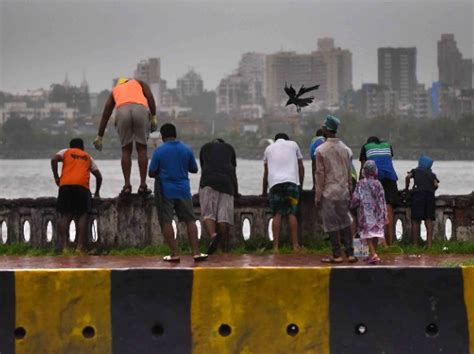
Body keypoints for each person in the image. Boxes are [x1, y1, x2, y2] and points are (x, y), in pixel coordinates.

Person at [148, 123, 207, 262]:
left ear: (162, 136)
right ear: (175, 134)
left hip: (165, 190)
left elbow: (151, 172)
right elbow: (194, 169)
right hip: (184, 190)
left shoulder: (159, 151)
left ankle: (174, 253)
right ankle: (196, 252)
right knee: (190, 220)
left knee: (166, 221)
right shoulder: (186, 149)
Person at [94, 77, 158, 195]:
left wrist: (100, 136)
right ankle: (143, 186)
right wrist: (153, 116)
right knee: (142, 149)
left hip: (122, 111)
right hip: (140, 109)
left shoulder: (115, 90)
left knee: (126, 150)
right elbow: (150, 97)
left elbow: (106, 114)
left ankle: (127, 186)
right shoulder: (139, 82)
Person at [315, 115, 357, 263]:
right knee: (345, 221)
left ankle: (337, 254)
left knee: (331, 224)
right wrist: (350, 190)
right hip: (343, 191)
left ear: (326, 130)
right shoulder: (346, 149)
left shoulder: (320, 150)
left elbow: (320, 174)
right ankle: (350, 253)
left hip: (329, 191)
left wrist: (318, 195)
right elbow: (348, 171)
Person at [51, 138, 102, 253]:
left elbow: (54, 159)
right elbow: (99, 177)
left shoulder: (65, 152)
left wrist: (56, 177)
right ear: (82, 147)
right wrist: (97, 192)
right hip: (82, 186)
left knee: (65, 215)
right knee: (83, 215)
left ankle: (65, 246)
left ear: (71, 146)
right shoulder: (88, 157)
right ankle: (79, 247)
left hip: (65, 185)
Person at [262, 133, 304, 251]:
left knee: (277, 214)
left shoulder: (268, 149)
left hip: (275, 185)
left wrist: (264, 191)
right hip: (291, 183)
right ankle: (295, 245)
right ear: (287, 139)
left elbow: (266, 172)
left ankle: (275, 247)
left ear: (275, 141)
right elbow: (301, 166)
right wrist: (300, 184)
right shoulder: (293, 145)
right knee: (291, 213)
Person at [199, 138, 238, 254]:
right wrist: (236, 191)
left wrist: (200, 189)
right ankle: (220, 248)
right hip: (227, 184)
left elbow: (204, 169)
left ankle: (213, 235)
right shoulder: (229, 148)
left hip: (208, 182)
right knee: (223, 217)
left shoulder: (205, 147)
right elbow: (233, 171)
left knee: (208, 214)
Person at [359, 136, 398, 245]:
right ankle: (390, 243)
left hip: (375, 178)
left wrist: (360, 185)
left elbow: (364, 167)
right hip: (390, 178)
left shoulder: (366, 147)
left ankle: (380, 243)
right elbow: (388, 162)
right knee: (388, 208)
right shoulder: (387, 146)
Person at [350, 160, 388, 264]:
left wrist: (352, 205)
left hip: (365, 213)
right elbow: (382, 199)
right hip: (377, 212)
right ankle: (372, 253)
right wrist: (384, 213)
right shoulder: (378, 183)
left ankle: (374, 255)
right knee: (374, 233)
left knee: (367, 234)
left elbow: (356, 198)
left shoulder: (361, 183)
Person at [405, 155, 439, 248]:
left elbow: (408, 177)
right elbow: (436, 185)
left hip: (418, 196)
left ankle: (415, 244)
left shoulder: (416, 170)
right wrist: (431, 189)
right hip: (430, 196)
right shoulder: (432, 174)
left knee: (416, 220)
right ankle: (429, 245)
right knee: (428, 220)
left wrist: (407, 187)